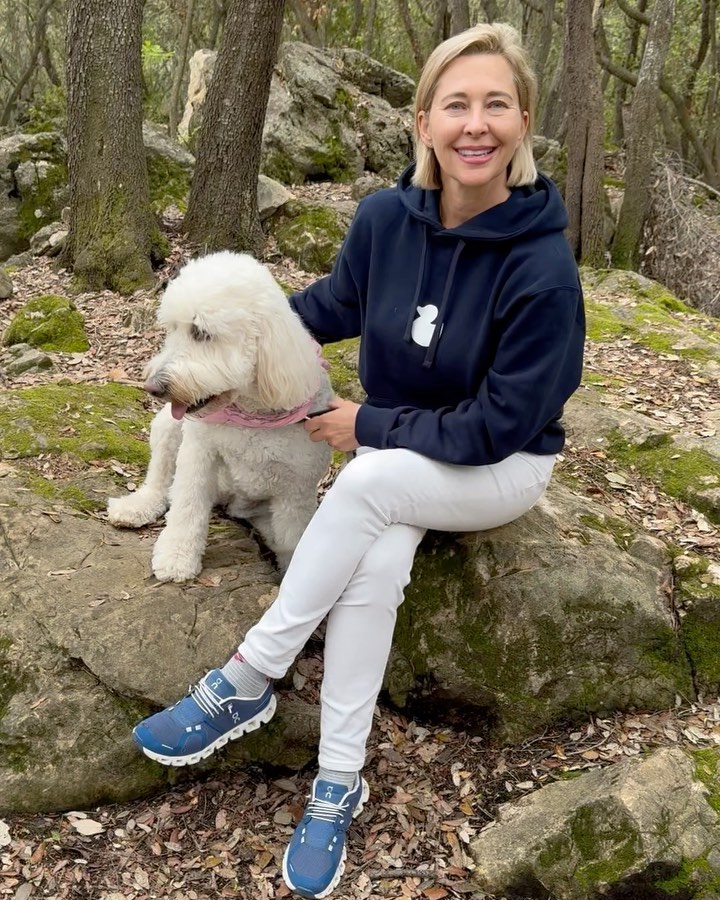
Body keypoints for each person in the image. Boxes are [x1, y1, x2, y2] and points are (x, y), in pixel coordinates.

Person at [132, 21, 585, 900]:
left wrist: (370, 425)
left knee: (370, 478)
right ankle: (337, 783)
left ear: (524, 121)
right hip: (400, 462)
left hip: (500, 466)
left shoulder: (544, 269)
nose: (475, 124)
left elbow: (499, 424)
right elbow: (328, 305)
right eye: (456, 104)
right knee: (373, 556)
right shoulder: (386, 218)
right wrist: (220, 331)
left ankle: (249, 675)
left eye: (497, 104)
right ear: (423, 121)